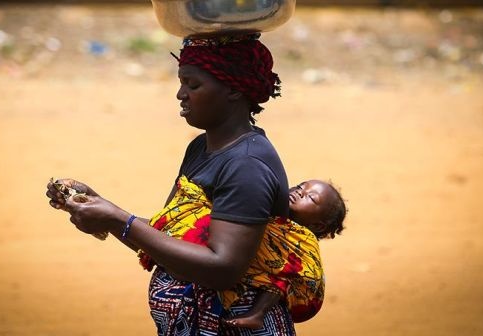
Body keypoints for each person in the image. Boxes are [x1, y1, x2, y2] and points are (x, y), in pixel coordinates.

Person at [46, 34, 296, 335]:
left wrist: (117, 218)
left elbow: (223, 269)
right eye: (181, 83)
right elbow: (166, 239)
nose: (180, 94)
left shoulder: (246, 165)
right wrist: (99, 207)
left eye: (193, 85)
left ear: (233, 89)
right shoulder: (202, 148)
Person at [224, 180, 347, 330]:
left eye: (311, 198)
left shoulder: (303, 240)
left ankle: (257, 314)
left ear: (317, 225)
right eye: (300, 186)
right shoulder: (273, 218)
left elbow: (306, 272)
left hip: (302, 294)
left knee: (285, 276)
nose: (299, 192)